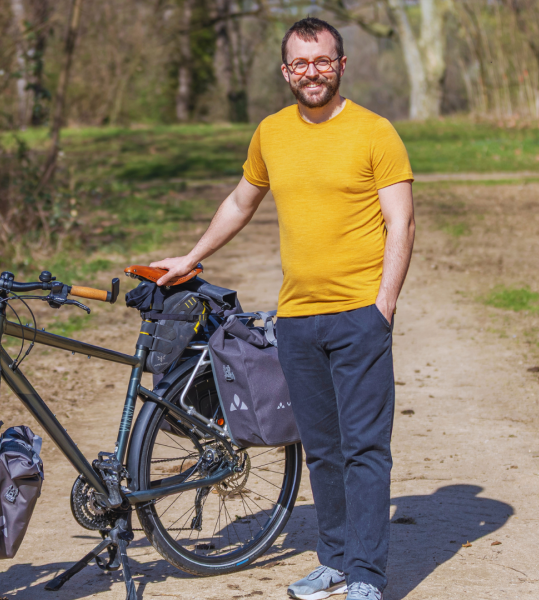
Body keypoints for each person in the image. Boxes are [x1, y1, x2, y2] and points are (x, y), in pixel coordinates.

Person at [150, 16, 415, 600]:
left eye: (322, 61)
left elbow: (401, 221)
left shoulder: (375, 132)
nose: (311, 72)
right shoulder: (270, 132)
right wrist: (191, 258)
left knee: (364, 450)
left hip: (359, 316)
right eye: (300, 63)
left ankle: (366, 576)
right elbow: (240, 202)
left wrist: (384, 304)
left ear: (340, 65)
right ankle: (335, 562)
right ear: (286, 71)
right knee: (321, 450)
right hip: (295, 320)